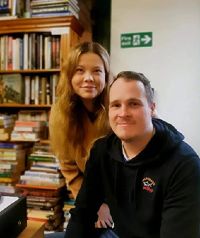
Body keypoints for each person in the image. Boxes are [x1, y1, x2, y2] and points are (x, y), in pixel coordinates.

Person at [65, 71, 200, 238]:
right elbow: (83, 214)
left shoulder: (184, 164)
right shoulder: (101, 151)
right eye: (115, 105)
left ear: (152, 108)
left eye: (134, 104)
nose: (123, 113)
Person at [47, 42, 113, 237]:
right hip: (87, 196)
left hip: (123, 197)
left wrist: (109, 205)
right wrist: (93, 204)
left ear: (106, 76)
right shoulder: (60, 114)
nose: (88, 78)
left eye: (97, 71)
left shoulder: (117, 108)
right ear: (69, 76)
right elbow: (69, 169)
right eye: (79, 70)